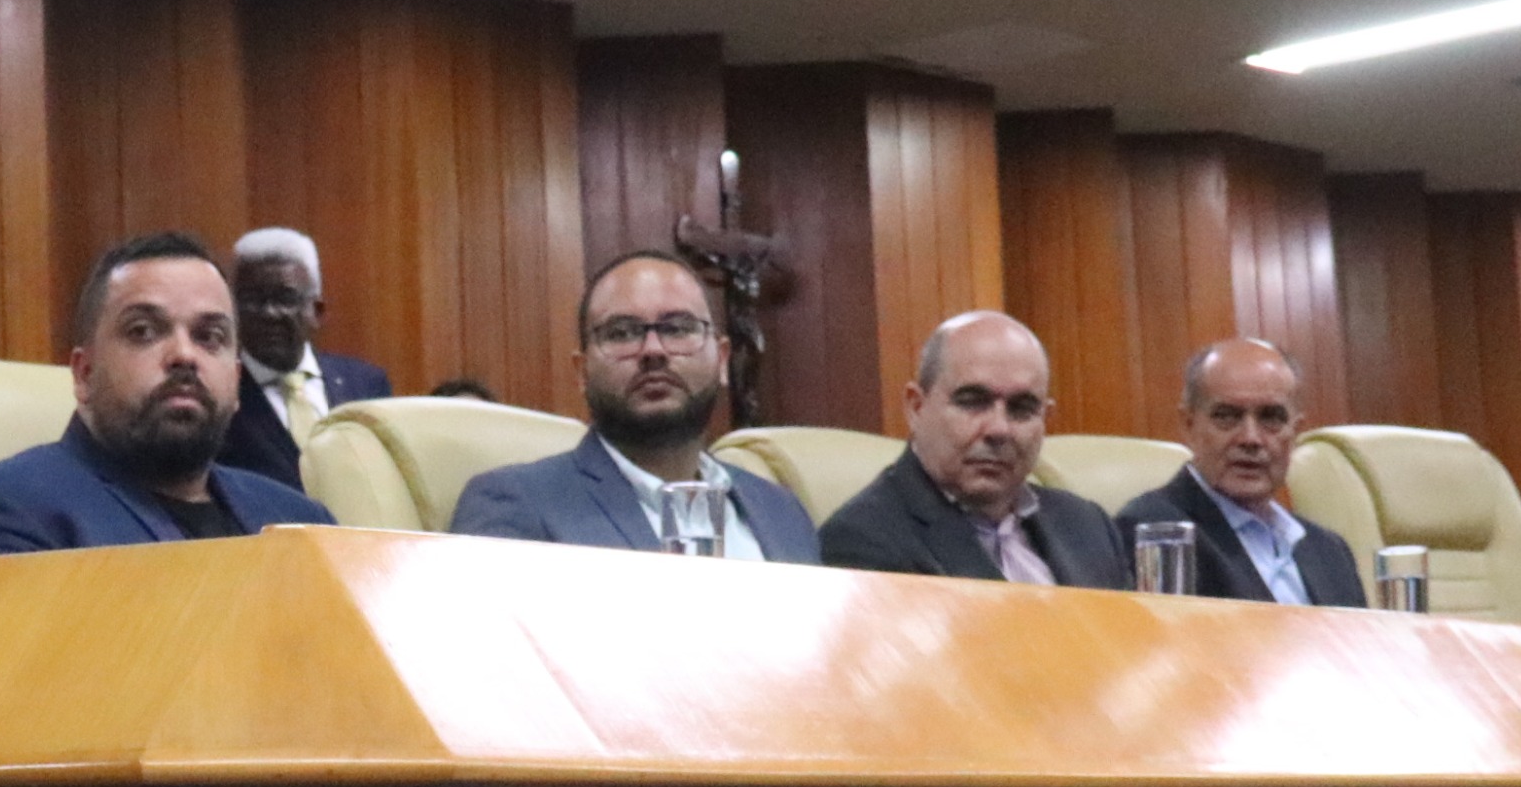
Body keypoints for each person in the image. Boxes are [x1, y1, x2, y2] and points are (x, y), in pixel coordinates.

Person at [0, 232, 340, 555]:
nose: (184, 355)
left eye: (209, 336)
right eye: (143, 331)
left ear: (235, 381)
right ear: (84, 373)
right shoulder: (3, 516)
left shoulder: (302, 522)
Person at [451, 251, 817, 559]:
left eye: (677, 328)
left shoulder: (781, 511)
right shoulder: (516, 504)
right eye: (622, 333)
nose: (653, 350)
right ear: (582, 371)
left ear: (722, 360)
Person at [818, 310, 1131, 586]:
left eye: (1022, 408)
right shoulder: (864, 539)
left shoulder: (1087, 526)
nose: (998, 429)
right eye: (972, 402)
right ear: (916, 408)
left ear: (1045, 420)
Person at [1120, 337, 1365, 607]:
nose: (1251, 438)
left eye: (1271, 417)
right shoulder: (1152, 533)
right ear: (1189, 426)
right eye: (1227, 416)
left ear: (1295, 431)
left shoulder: (1329, 551)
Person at [215, 225, 390, 487]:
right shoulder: (220, 393)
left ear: (317, 311)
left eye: (285, 298)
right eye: (252, 299)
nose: (269, 313)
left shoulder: (366, 385)